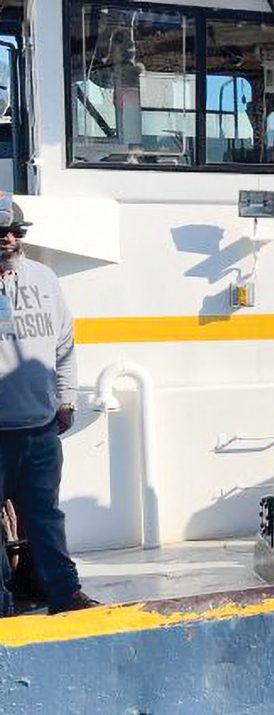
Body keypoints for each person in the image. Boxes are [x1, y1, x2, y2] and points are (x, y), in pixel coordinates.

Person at [0, 197, 98, 614]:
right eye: (0, 232)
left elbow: (64, 346)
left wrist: (67, 399)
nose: (7, 239)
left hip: (40, 430)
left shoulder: (44, 278)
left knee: (46, 517)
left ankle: (64, 593)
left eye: (15, 231)